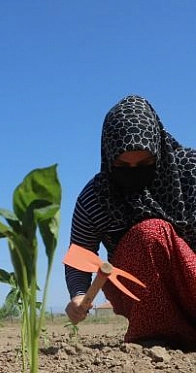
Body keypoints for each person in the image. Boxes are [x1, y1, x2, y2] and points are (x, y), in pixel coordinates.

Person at [64, 95, 196, 349]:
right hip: (139, 290)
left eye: (146, 163)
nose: (134, 171)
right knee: (150, 233)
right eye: (123, 165)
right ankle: (158, 335)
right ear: (108, 156)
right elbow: (79, 256)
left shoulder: (189, 172)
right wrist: (79, 296)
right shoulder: (96, 197)